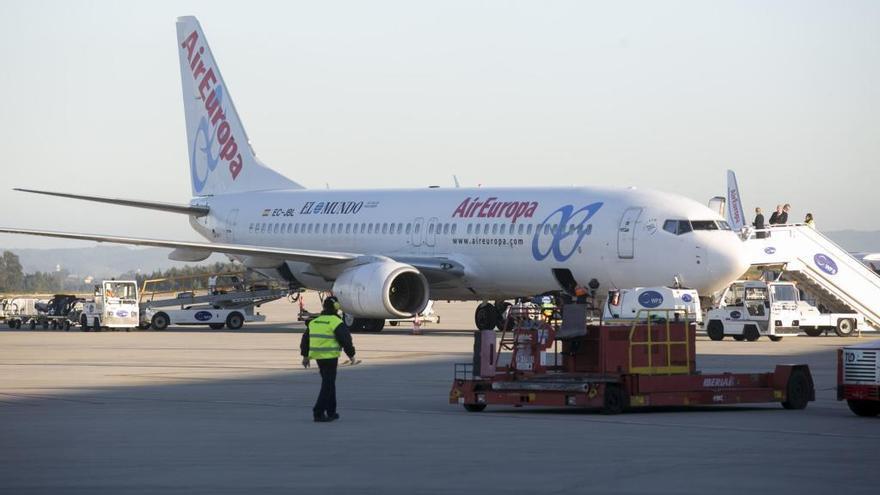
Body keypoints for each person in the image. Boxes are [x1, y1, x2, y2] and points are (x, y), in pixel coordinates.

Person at [300, 296, 357, 422]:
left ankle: (331, 412)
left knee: (329, 384)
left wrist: (305, 357)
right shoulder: (335, 322)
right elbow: (345, 340)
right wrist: (351, 355)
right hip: (330, 358)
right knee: (327, 385)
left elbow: (305, 340)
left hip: (318, 358)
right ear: (337, 307)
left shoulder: (315, 322)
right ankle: (318, 412)